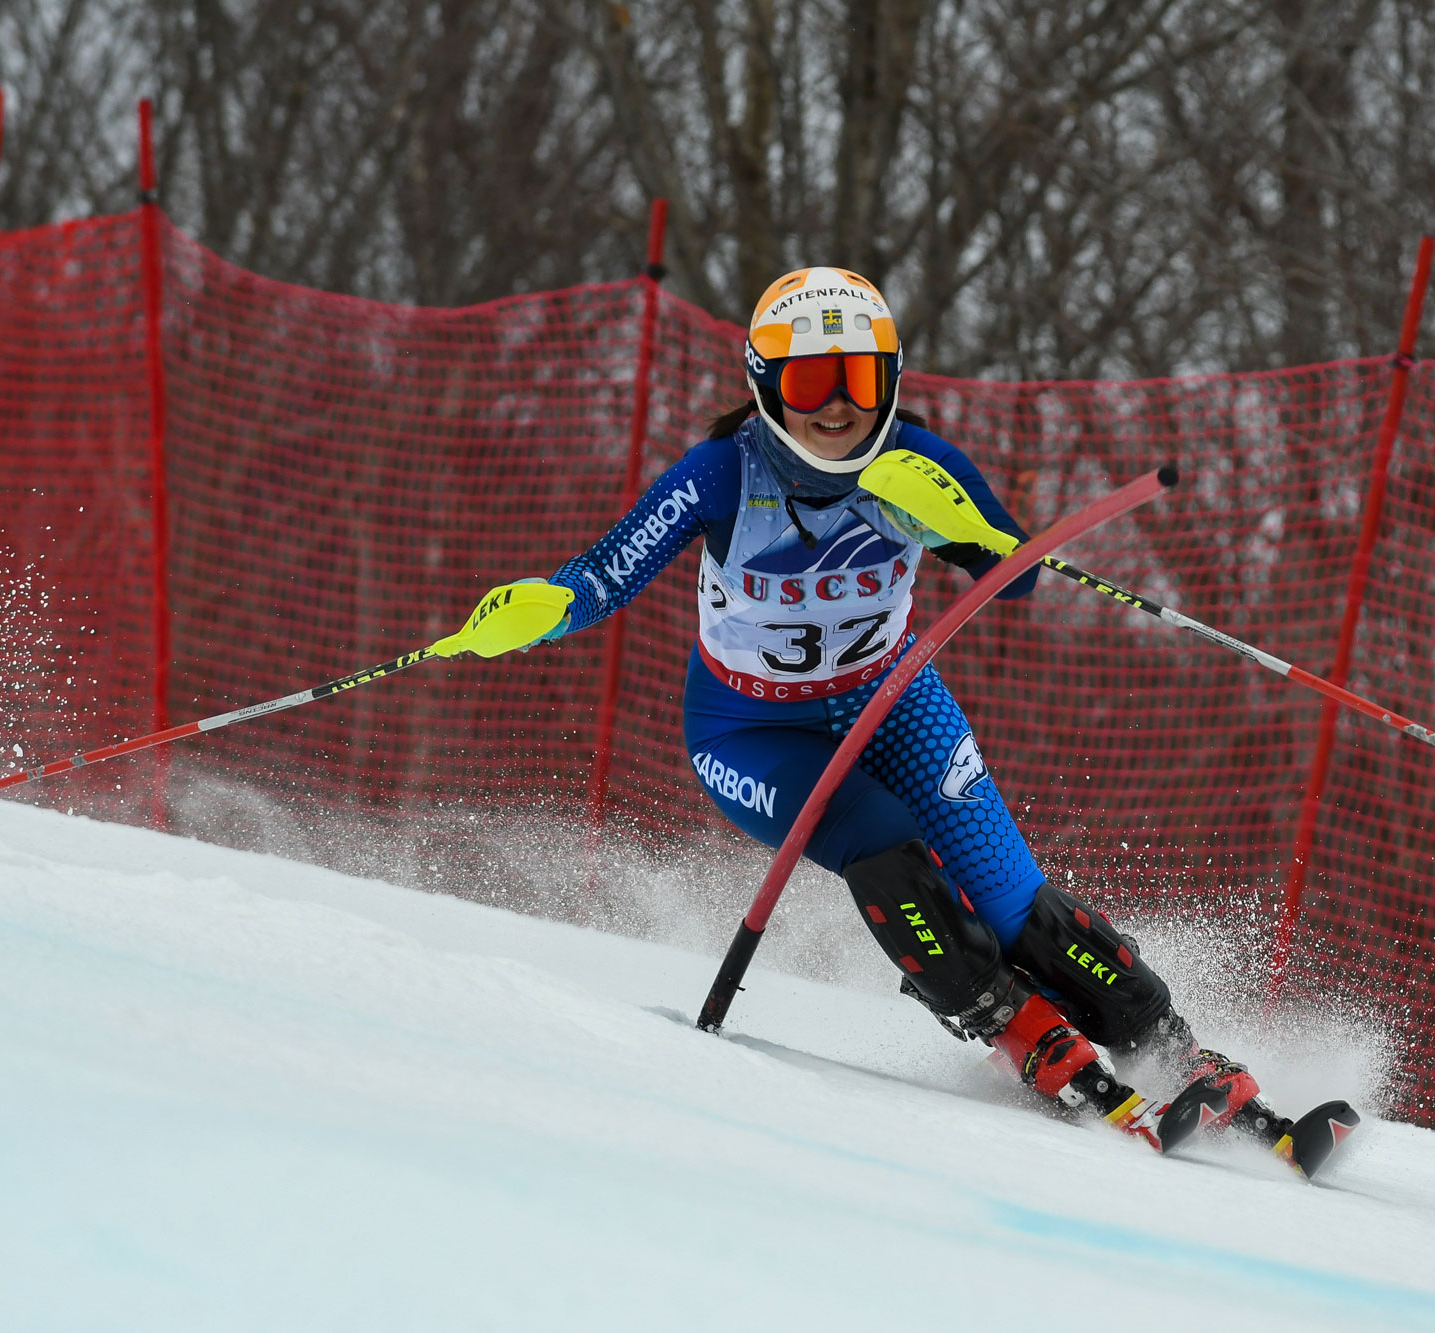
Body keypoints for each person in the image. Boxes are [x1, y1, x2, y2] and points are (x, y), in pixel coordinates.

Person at [472, 266, 1284, 1154]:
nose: (836, 405)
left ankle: (1172, 1050)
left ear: (889, 380)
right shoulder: (723, 472)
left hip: (895, 702)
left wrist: (961, 527)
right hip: (751, 732)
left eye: (858, 379)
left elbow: (1012, 579)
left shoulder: (919, 462)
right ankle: (1025, 1034)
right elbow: (606, 571)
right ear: (766, 384)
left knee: (1012, 900)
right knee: (885, 844)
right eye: (810, 382)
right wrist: (549, 607)